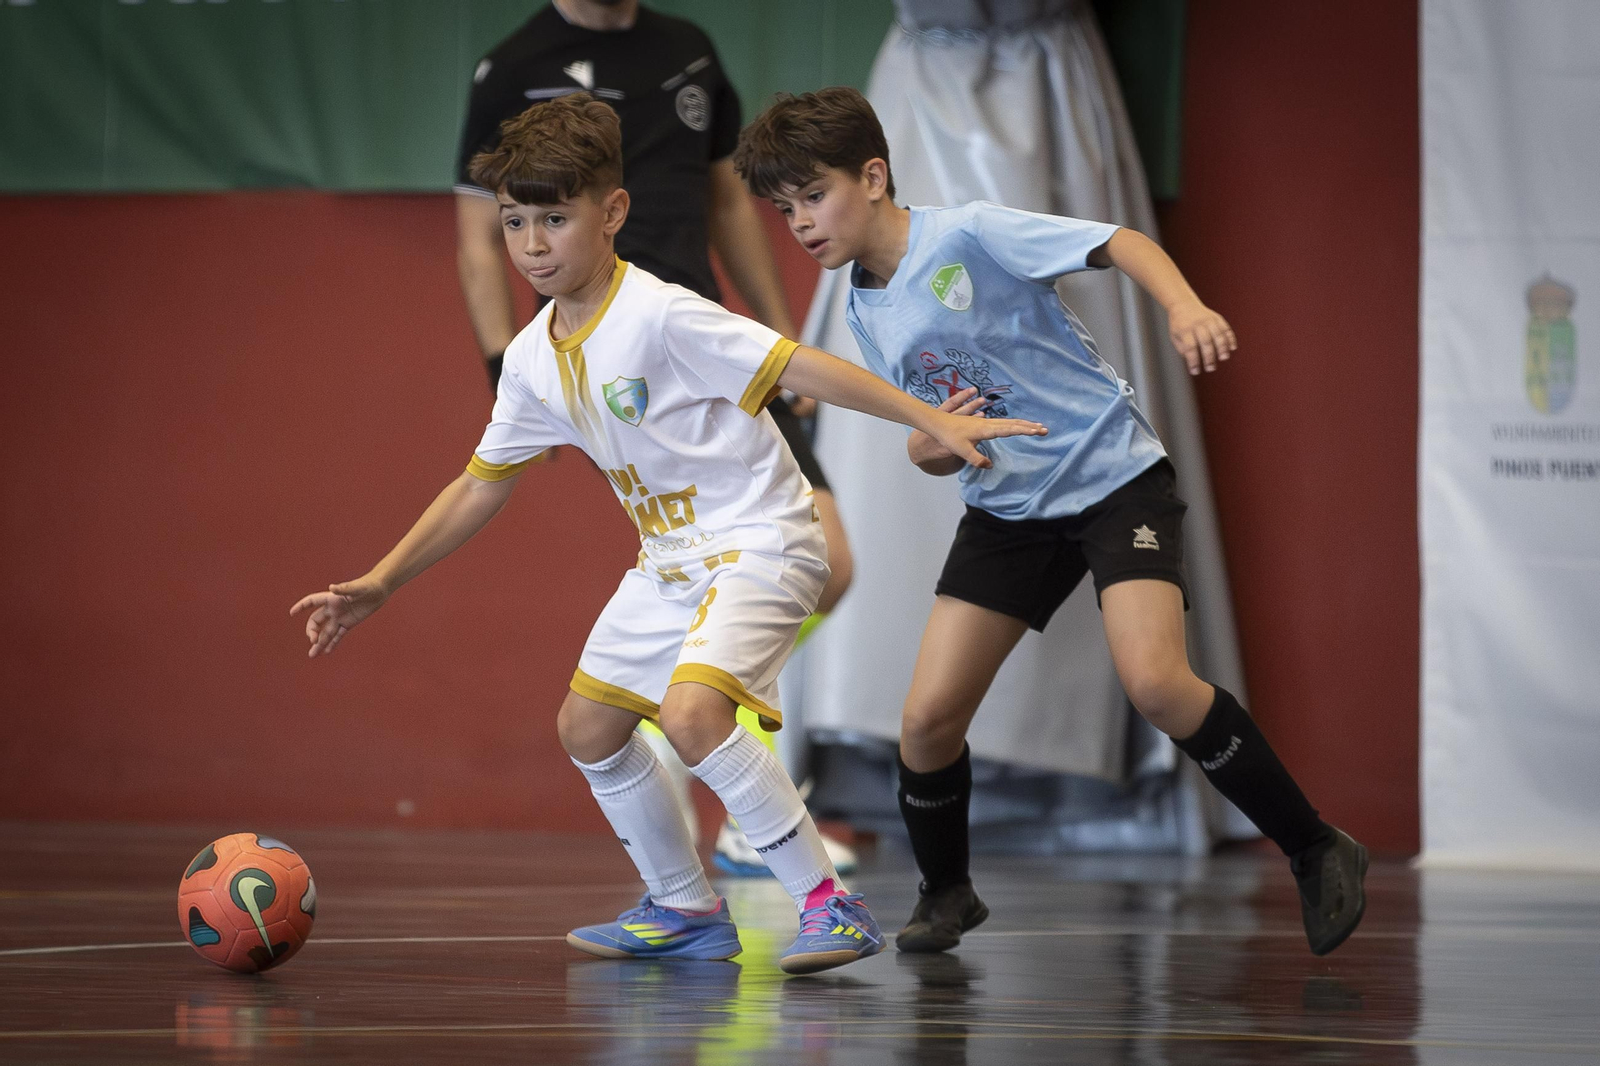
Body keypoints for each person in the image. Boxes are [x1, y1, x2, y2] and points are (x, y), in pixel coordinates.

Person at [293, 94, 1047, 973]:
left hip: (764, 539)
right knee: (587, 729)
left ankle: (827, 906)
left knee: (693, 715)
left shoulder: (662, 314)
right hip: (670, 564)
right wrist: (381, 582)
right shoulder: (534, 359)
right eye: (514, 222)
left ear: (612, 213)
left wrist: (930, 418)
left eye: (555, 218)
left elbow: (799, 363)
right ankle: (685, 907)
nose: (533, 244)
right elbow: (477, 486)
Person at [732, 87, 1368, 957]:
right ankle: (948, 893)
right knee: (925, 722)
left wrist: (1183, 307)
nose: (800, 222)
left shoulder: (969, 232)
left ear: (873, 176)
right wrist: (941, 448)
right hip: (1009, 512)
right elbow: (931, 441)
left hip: (1114, 481)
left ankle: (1315, 846)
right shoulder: (863, 309)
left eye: (814, 196)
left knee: (1156, 683)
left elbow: (1123, 241)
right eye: (784, 208)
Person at [453, 0, 855, 871]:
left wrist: (781, 326)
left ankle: (708, 727)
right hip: (620, 358)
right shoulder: (511, 66)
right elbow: (481, 239)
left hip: (710, 337)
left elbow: (729, 206)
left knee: (829, 567)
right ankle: (725, 783)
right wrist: (500, 364)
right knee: (695, 609)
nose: (533, 235)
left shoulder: (690, 48)